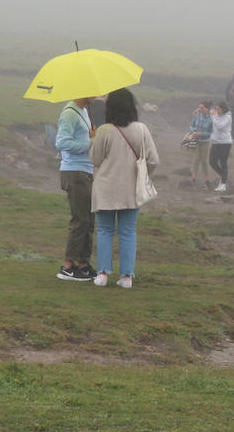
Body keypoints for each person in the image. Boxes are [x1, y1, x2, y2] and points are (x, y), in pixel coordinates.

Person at [88, 88, 158, 289]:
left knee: (104, 231)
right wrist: (142, 175)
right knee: (128, 232)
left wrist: (94, 138)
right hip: (131, 190)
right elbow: (154, 160)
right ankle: (127, 277)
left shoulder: (104, 130)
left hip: (105, 188)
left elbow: (95, 159)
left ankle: (102, 274)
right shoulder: (142, 129)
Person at [55, 96, 97, 281]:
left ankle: (83, 264)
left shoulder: (84, 111)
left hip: (85, 170)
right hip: (74, 172)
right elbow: (62, 143)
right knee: (80, 219)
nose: (96, 95)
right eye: (93, 92)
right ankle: (67, 267)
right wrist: (90, 142)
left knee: (89, 218)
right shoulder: (70, 114)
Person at [188, 100, 213, 188]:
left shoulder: (211, 119)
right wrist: (193, 131)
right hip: (196, 141)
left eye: (202, 108)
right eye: (199, 107)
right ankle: (193, 179)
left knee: (204, 161)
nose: (200, 109)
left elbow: (211, 132)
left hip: (205, 142)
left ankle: (206, 179)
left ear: (207, 108)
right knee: (196, 159)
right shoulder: (198, 115)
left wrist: (201, 134)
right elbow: (191, 125)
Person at [209, 101, 233, 192]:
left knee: (223, 163)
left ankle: (223, 184)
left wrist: (213, 116)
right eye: (216, 109)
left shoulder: (228, 117)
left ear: (223, 109)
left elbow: (220, 127)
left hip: (225, 143)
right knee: (212, 162)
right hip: (215, 142)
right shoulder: (217, 116)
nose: (217, 110)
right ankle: (223, 177)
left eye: (218, 109)